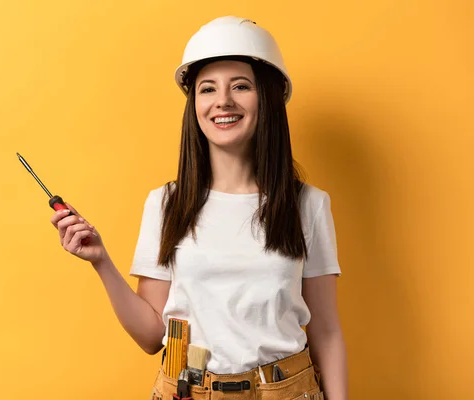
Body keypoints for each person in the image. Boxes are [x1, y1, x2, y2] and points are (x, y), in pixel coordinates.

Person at [50, 16, 348, 400]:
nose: (222, 100)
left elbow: (326, 331)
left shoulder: (308, 205)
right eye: (208, 89)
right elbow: (152, 336)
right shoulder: (166, 204)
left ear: (269, 99)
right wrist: (100, 260)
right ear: (195, 106)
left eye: (240, 86)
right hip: (189, 390)